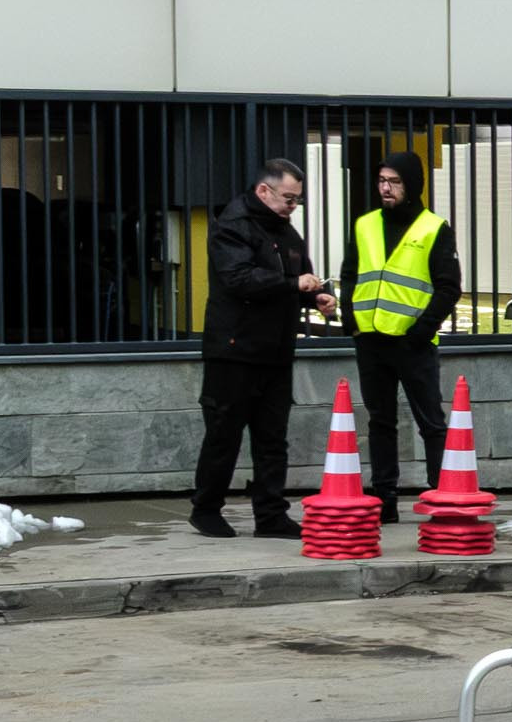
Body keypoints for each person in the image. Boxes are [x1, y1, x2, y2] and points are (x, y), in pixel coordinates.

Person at [193, 159, 331, 540]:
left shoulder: (287, 233)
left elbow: (294, 281)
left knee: (273, 437)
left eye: (298, 201)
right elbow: (238, 279)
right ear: (263, 191)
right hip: (234, 350)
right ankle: (206, 509)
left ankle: (270, 514)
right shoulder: (232, 227)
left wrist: (316, 296)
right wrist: (293, 285)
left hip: (275, 350)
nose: (293, 206)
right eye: (288, 198)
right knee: (224, 434)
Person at [350, 152, 464, 520]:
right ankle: (385, 500)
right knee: (380, 423)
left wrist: (422, 329)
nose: (385, 187)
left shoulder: (434, 228)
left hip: (413, 344)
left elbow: (449, 288)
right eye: (382, 180)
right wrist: (353, 322)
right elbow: (351, 274)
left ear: (412, 185)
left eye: (394, 181)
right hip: (371, 342)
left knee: (431, 422)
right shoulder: (365, 225)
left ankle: (441, 496)